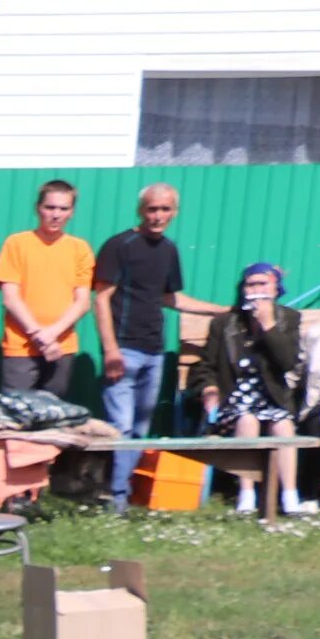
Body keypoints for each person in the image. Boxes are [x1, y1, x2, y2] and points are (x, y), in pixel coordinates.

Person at [94, 184, 204, 503]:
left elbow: (170, 297)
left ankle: (122, 493)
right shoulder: (120, 245)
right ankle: (116, 497)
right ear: (141, 211)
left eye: (165, 209)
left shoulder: (169, 249)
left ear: (175, 212)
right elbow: (101, 300)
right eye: (152, 209)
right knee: (122, 427)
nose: (158, 216)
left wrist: (223, 309)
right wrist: (111, 350)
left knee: (140, 429)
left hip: (154, 350)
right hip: (124, 350)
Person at [197, 264, 308, 515]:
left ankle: (289, 495)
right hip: (234, 399)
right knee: (247, 418)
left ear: (276, 290)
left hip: (272, 397)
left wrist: (268, 326)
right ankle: (246, 495)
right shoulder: (225, 323)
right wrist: (209, 388)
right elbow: (206, 366)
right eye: (251, 285)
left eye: (262, 284)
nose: (256, 290)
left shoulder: (288, 318)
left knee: (283, 425)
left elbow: (288, 361)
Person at [0, 179, 97, 398]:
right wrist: (38, 335)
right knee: (14, 417)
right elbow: (10, 298)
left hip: (61, 348)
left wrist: (52, 334)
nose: (56, 214)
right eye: (50, 207)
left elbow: (82, 302)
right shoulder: (17, 243)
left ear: (72, 212)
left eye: (63, 208)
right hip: (20, 347)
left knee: (52, 418)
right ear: (38, 208)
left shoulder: (80, 249)